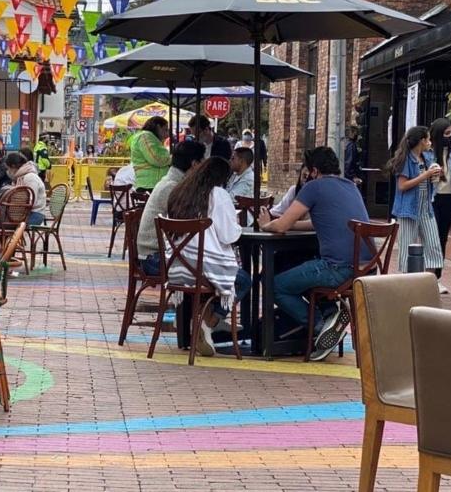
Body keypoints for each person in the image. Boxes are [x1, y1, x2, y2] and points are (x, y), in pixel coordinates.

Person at [257, 147, 370, 361]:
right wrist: (291, 225)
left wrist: (266, 225)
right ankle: (330, 315)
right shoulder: (350, 186)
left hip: (336, 269)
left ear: (315, 170)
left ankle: (321, 326)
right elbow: (314, 223)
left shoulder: (313, 188)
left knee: (274, 284)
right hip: (364, 267)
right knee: (302, 268)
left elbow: (281, 226)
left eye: (308, 171)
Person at [165, 157, 251, 357]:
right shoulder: (218, 195)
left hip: (176, 269)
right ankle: (207, 322)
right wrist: (236, 222)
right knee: (243, 280)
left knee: (213, 279)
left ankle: (199, 320)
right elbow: (229, 235)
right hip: (203, 269)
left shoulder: (179, 192)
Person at [386, 126, 446, 292]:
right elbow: (402, 186)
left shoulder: (426, 158)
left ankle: (429, 283)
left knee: (433, 244)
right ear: (422, 141)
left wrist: (435, 175)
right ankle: (407, 284)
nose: (430, 142)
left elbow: (429, 181)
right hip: (408, 210)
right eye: (428, 139)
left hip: (426, 208)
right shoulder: (406, 160)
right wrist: (424, 176)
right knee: (407, 246)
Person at [137, 141, 206, 271]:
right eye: (203, 163)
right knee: (236, 278)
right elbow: (186, 224)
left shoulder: (172, 182)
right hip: (155, 258)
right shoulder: (173, 187)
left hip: (157, 254)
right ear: (195, 164)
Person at [429, 118, 451, 283]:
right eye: (447, 133)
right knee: (432, 236)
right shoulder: (428, 154)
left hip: (450, 198)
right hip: (432, 198)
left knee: (442, 237)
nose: (450, 136)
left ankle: (437, 276)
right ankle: (428, 274)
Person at [4, 152, 47, 226]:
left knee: (3, 224)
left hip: (34, 214)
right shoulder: (20, 177)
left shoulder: (30, 177)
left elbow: (31, 201)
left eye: (8, 168)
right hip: (25, 213)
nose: (8, 172)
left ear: (13, 166)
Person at [130, 116, 171, 191]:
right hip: (150, 184)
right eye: (165, 130)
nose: (167, 134)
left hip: (152, 183)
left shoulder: (151, 138)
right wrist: (172, 159)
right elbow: (156, 159)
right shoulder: (145, 136)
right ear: (158, 127)